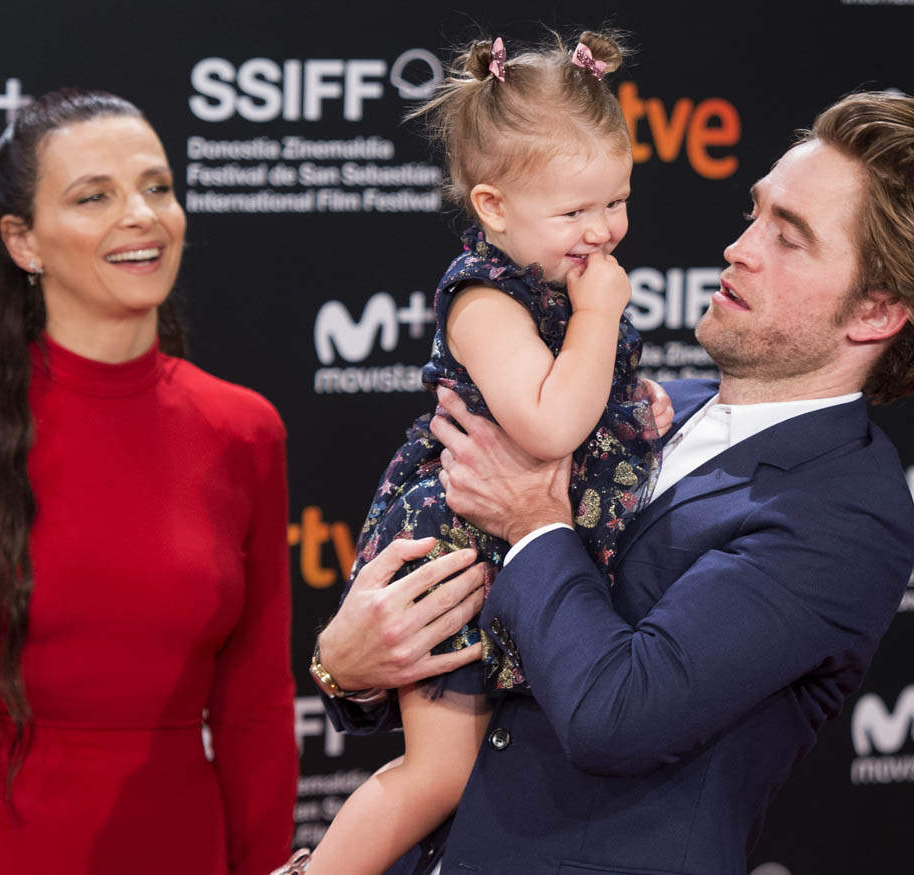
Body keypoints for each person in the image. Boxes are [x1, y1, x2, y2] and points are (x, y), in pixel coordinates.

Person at [314, 90, 914, 874]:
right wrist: (347, 668)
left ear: (877, 312)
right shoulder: (632, 408)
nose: (739, 248)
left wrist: (536, 525)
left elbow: (616, 713)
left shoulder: (846, 515)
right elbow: (465, 663)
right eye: (755, 214)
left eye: (788, 238)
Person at [0, 89, 296, 874]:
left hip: (168, 847)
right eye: (95, 196)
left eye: (157, 187)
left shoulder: (244, 432)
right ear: (24, 241)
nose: (142, 216)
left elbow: (255, 708)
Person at [286, 30, 673, 875]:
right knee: (441, 774)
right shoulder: (485, 299)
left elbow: (583, 400)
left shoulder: (566, 278)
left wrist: (635, 406)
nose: (603, 231)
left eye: (617, 200)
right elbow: (547, 425)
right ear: (494, 207)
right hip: (460, 546)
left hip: (524, 546)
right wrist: (601, 319)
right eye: (574, 213)